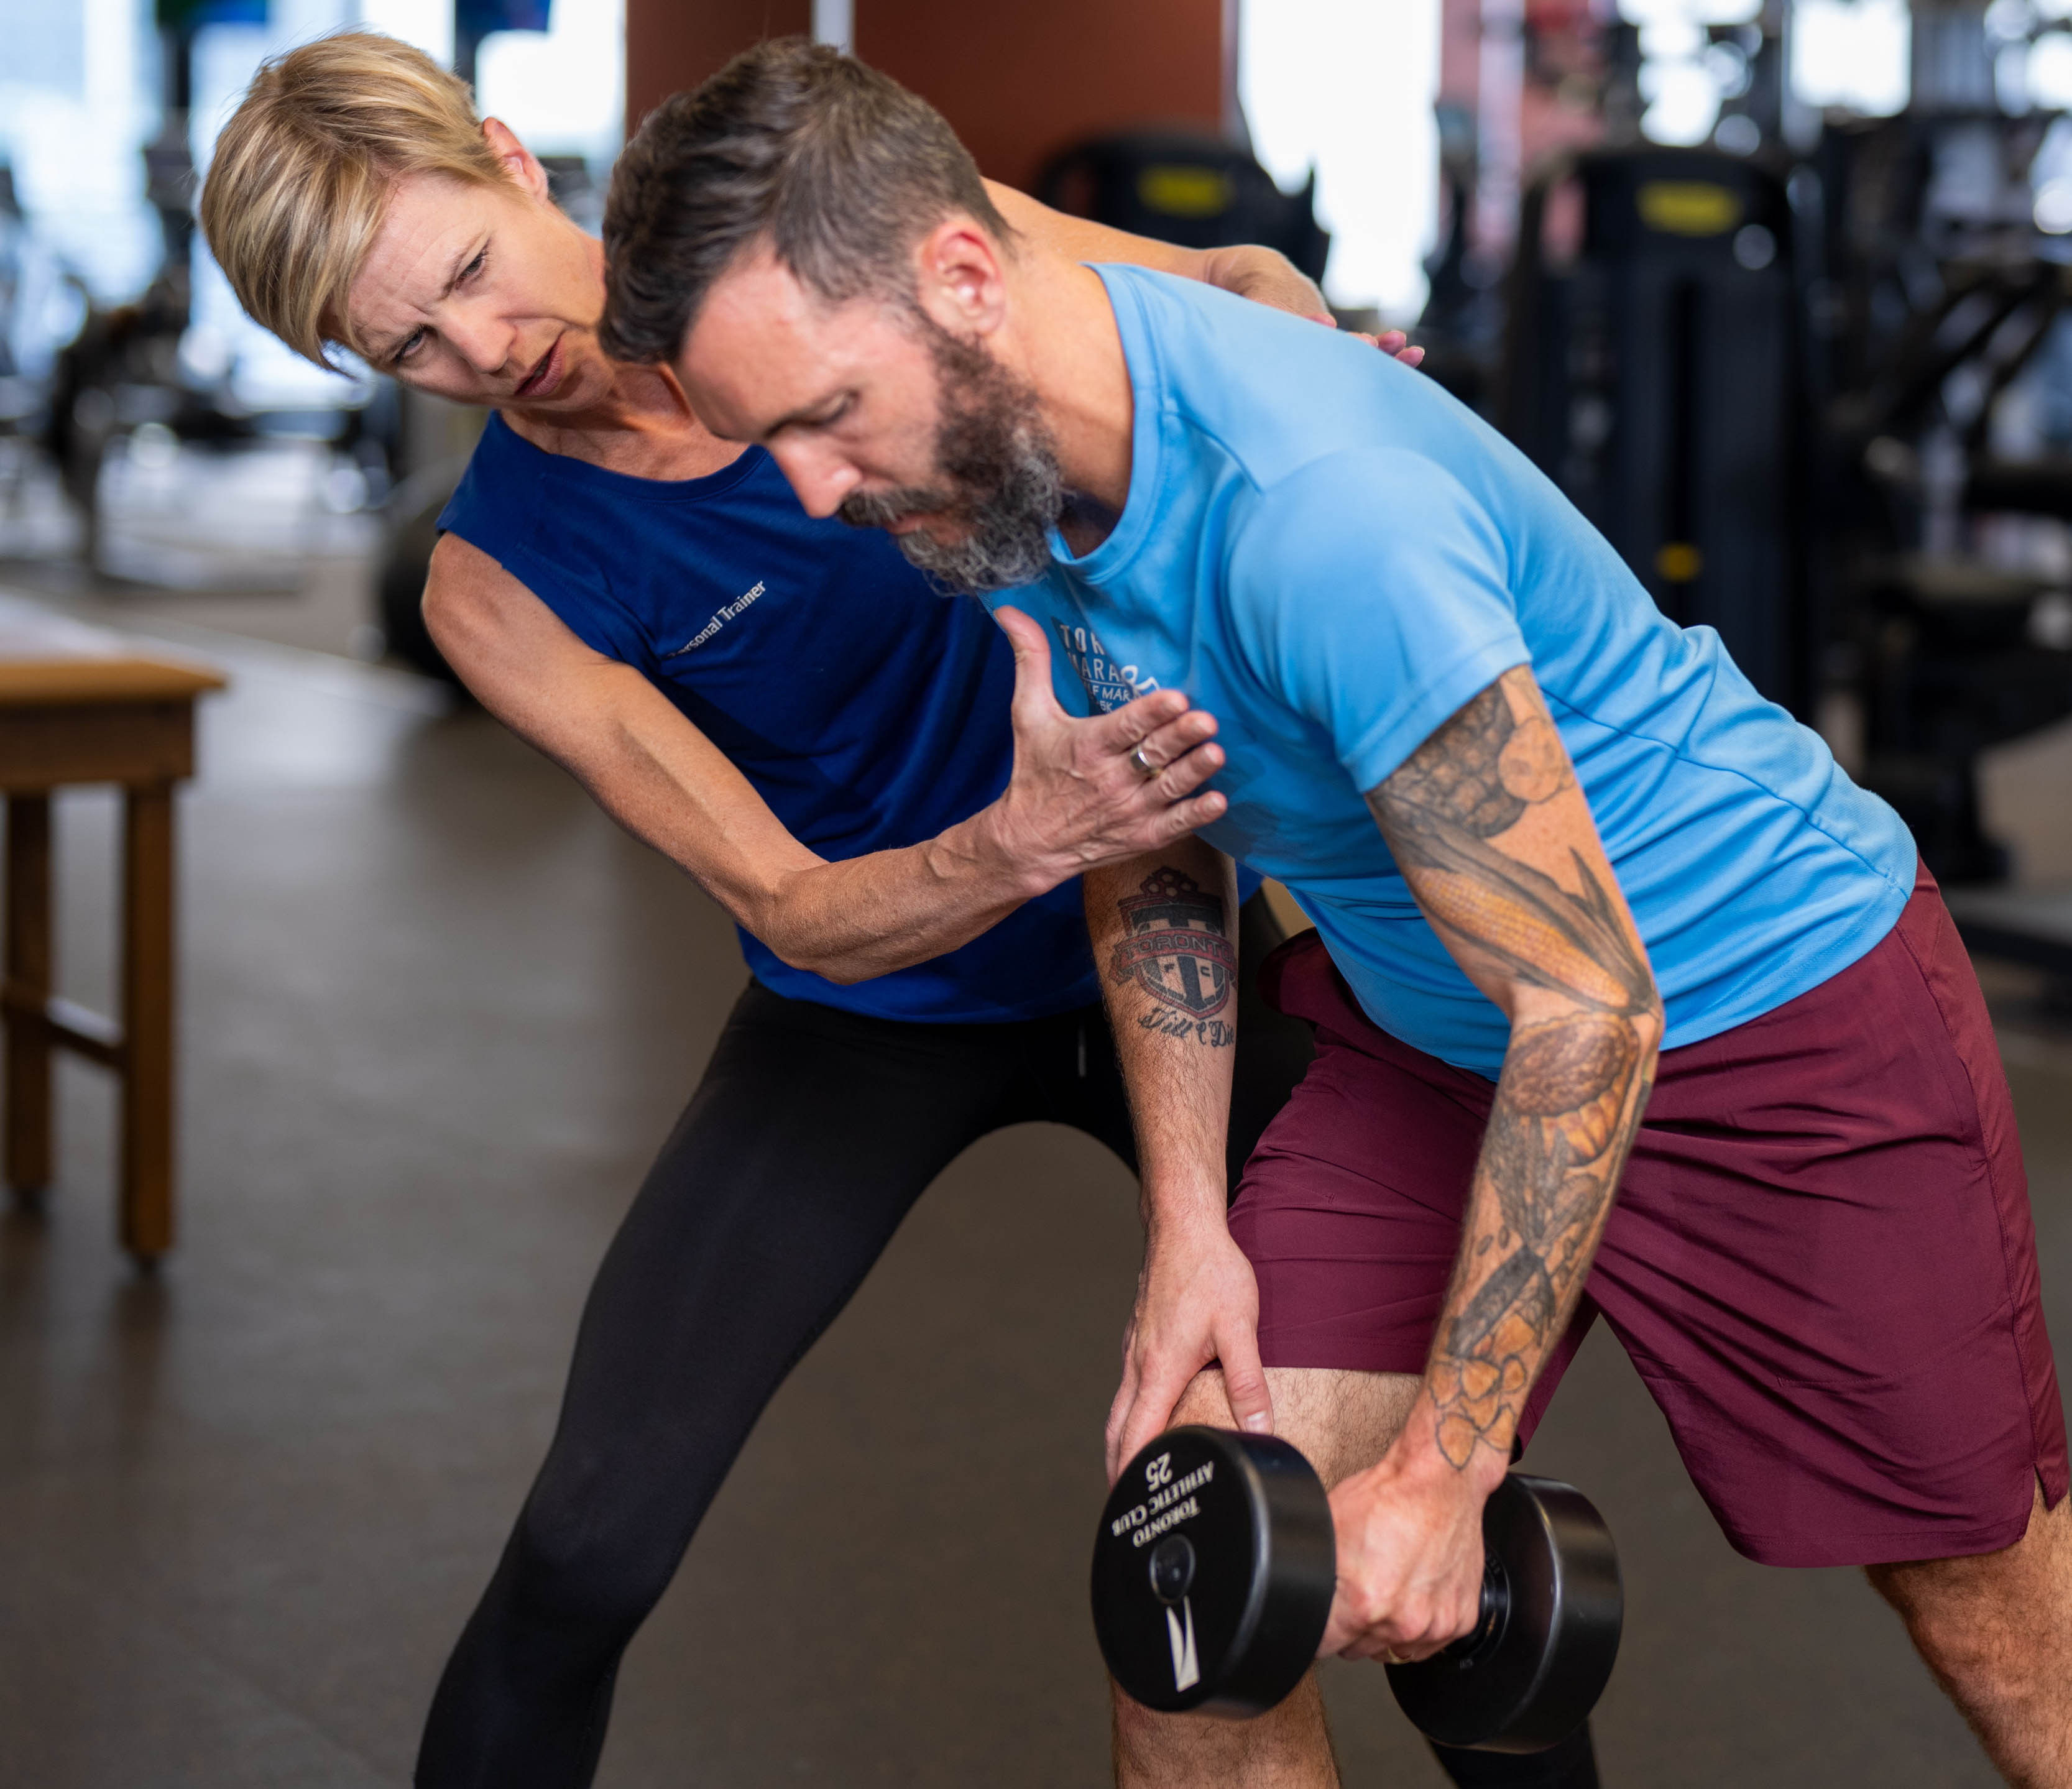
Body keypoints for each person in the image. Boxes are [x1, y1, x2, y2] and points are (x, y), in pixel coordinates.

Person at [600, 39, 2072, 1789]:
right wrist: (1189, 1222)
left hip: (1769, 1006)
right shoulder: (1008, 478)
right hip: (1436, 1022)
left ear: (965, 279)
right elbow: (1156, 824)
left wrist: (1448, 1479)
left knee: (1997, 1629)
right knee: (1197, 1612)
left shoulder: (1325, 522)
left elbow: (1592, 1009)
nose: (817, 493)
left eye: (825, 420)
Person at [198, 31, 1439, 1789]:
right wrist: (1023, 838)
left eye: (467, 269)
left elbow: (1227, 287)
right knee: (584, 1548)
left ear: (507, 155)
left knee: (1416, 1503)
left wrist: (1315, 365)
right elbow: (785, 898)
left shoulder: (824, 236)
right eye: (406, 343)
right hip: (876, 1011)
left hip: (1171, 938)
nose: (483, 351)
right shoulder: (495, 581)